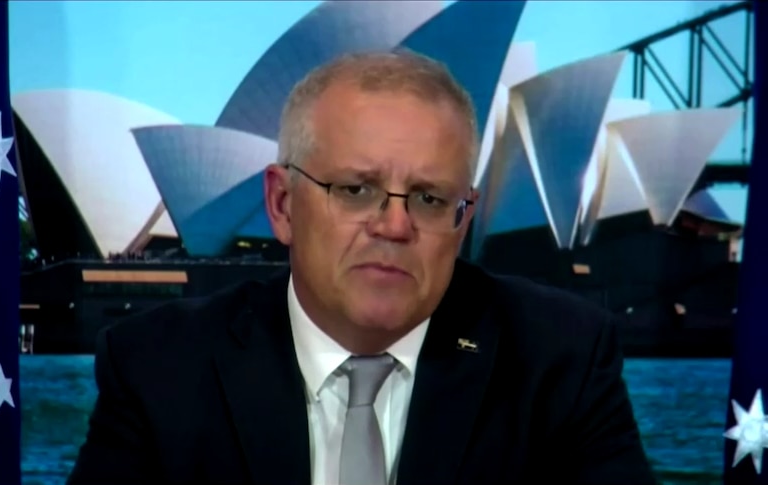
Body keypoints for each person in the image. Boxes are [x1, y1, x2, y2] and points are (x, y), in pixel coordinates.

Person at [68, 50, 657, 485]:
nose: (394, 226)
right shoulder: (159, 368)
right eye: (354, 189)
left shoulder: (561, 362)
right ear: (281, 205)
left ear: (464, 218)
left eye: (429, 198)